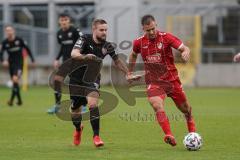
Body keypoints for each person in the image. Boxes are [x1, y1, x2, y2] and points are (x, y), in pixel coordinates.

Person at [127, 15, 196, 146]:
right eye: (148, 30)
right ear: (143, 29)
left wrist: (185, 52)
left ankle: (192, 133)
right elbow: (133, 54)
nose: (152, 32)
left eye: (153, 28)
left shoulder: (166, 37)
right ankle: (169, 134)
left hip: (172, 80)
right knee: (156, 104)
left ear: (156, 25)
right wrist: (129, 72)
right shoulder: (138, 42)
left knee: (186, 110)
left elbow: (184, 47)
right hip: (154, 82)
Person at [67, 19, 129, 147]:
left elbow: (117, 61)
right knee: (75, 110)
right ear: (94, 30)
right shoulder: (84, 39)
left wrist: (128, 73)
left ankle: (96, 136)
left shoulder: (107, 46)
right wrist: (85, 57)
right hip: (76, 79)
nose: (104, 32)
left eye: (106, 30)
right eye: (101, 30)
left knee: (93, 104)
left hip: (92, 78)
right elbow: (74, 53)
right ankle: (78, 129)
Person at [47, 13, 83, 114]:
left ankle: (82, 105)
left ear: (69, 21)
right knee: (57, 81)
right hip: (66, 62)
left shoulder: (75, 31)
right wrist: (57, 58)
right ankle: (57, 106)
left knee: (76, 83)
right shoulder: (59, 33)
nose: (64, 22)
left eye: (66, 20)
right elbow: (63, 47)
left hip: (76, 61)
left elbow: (83, 43)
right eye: (62, 20)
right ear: (59, 22)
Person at [0, 25, 35, 106]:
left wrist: (32, 59)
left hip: (19, 64)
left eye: (10, 30)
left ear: (13, 31)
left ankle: (12, 100)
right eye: (7, 31)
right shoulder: (4, 42)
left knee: (15, 79)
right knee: (15, 82)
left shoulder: (19, 40)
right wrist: (3, 61)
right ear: (6, 32)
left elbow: (27, 48)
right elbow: (1, 53)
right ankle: (18, 101)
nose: (9, 32)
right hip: (11, 64)